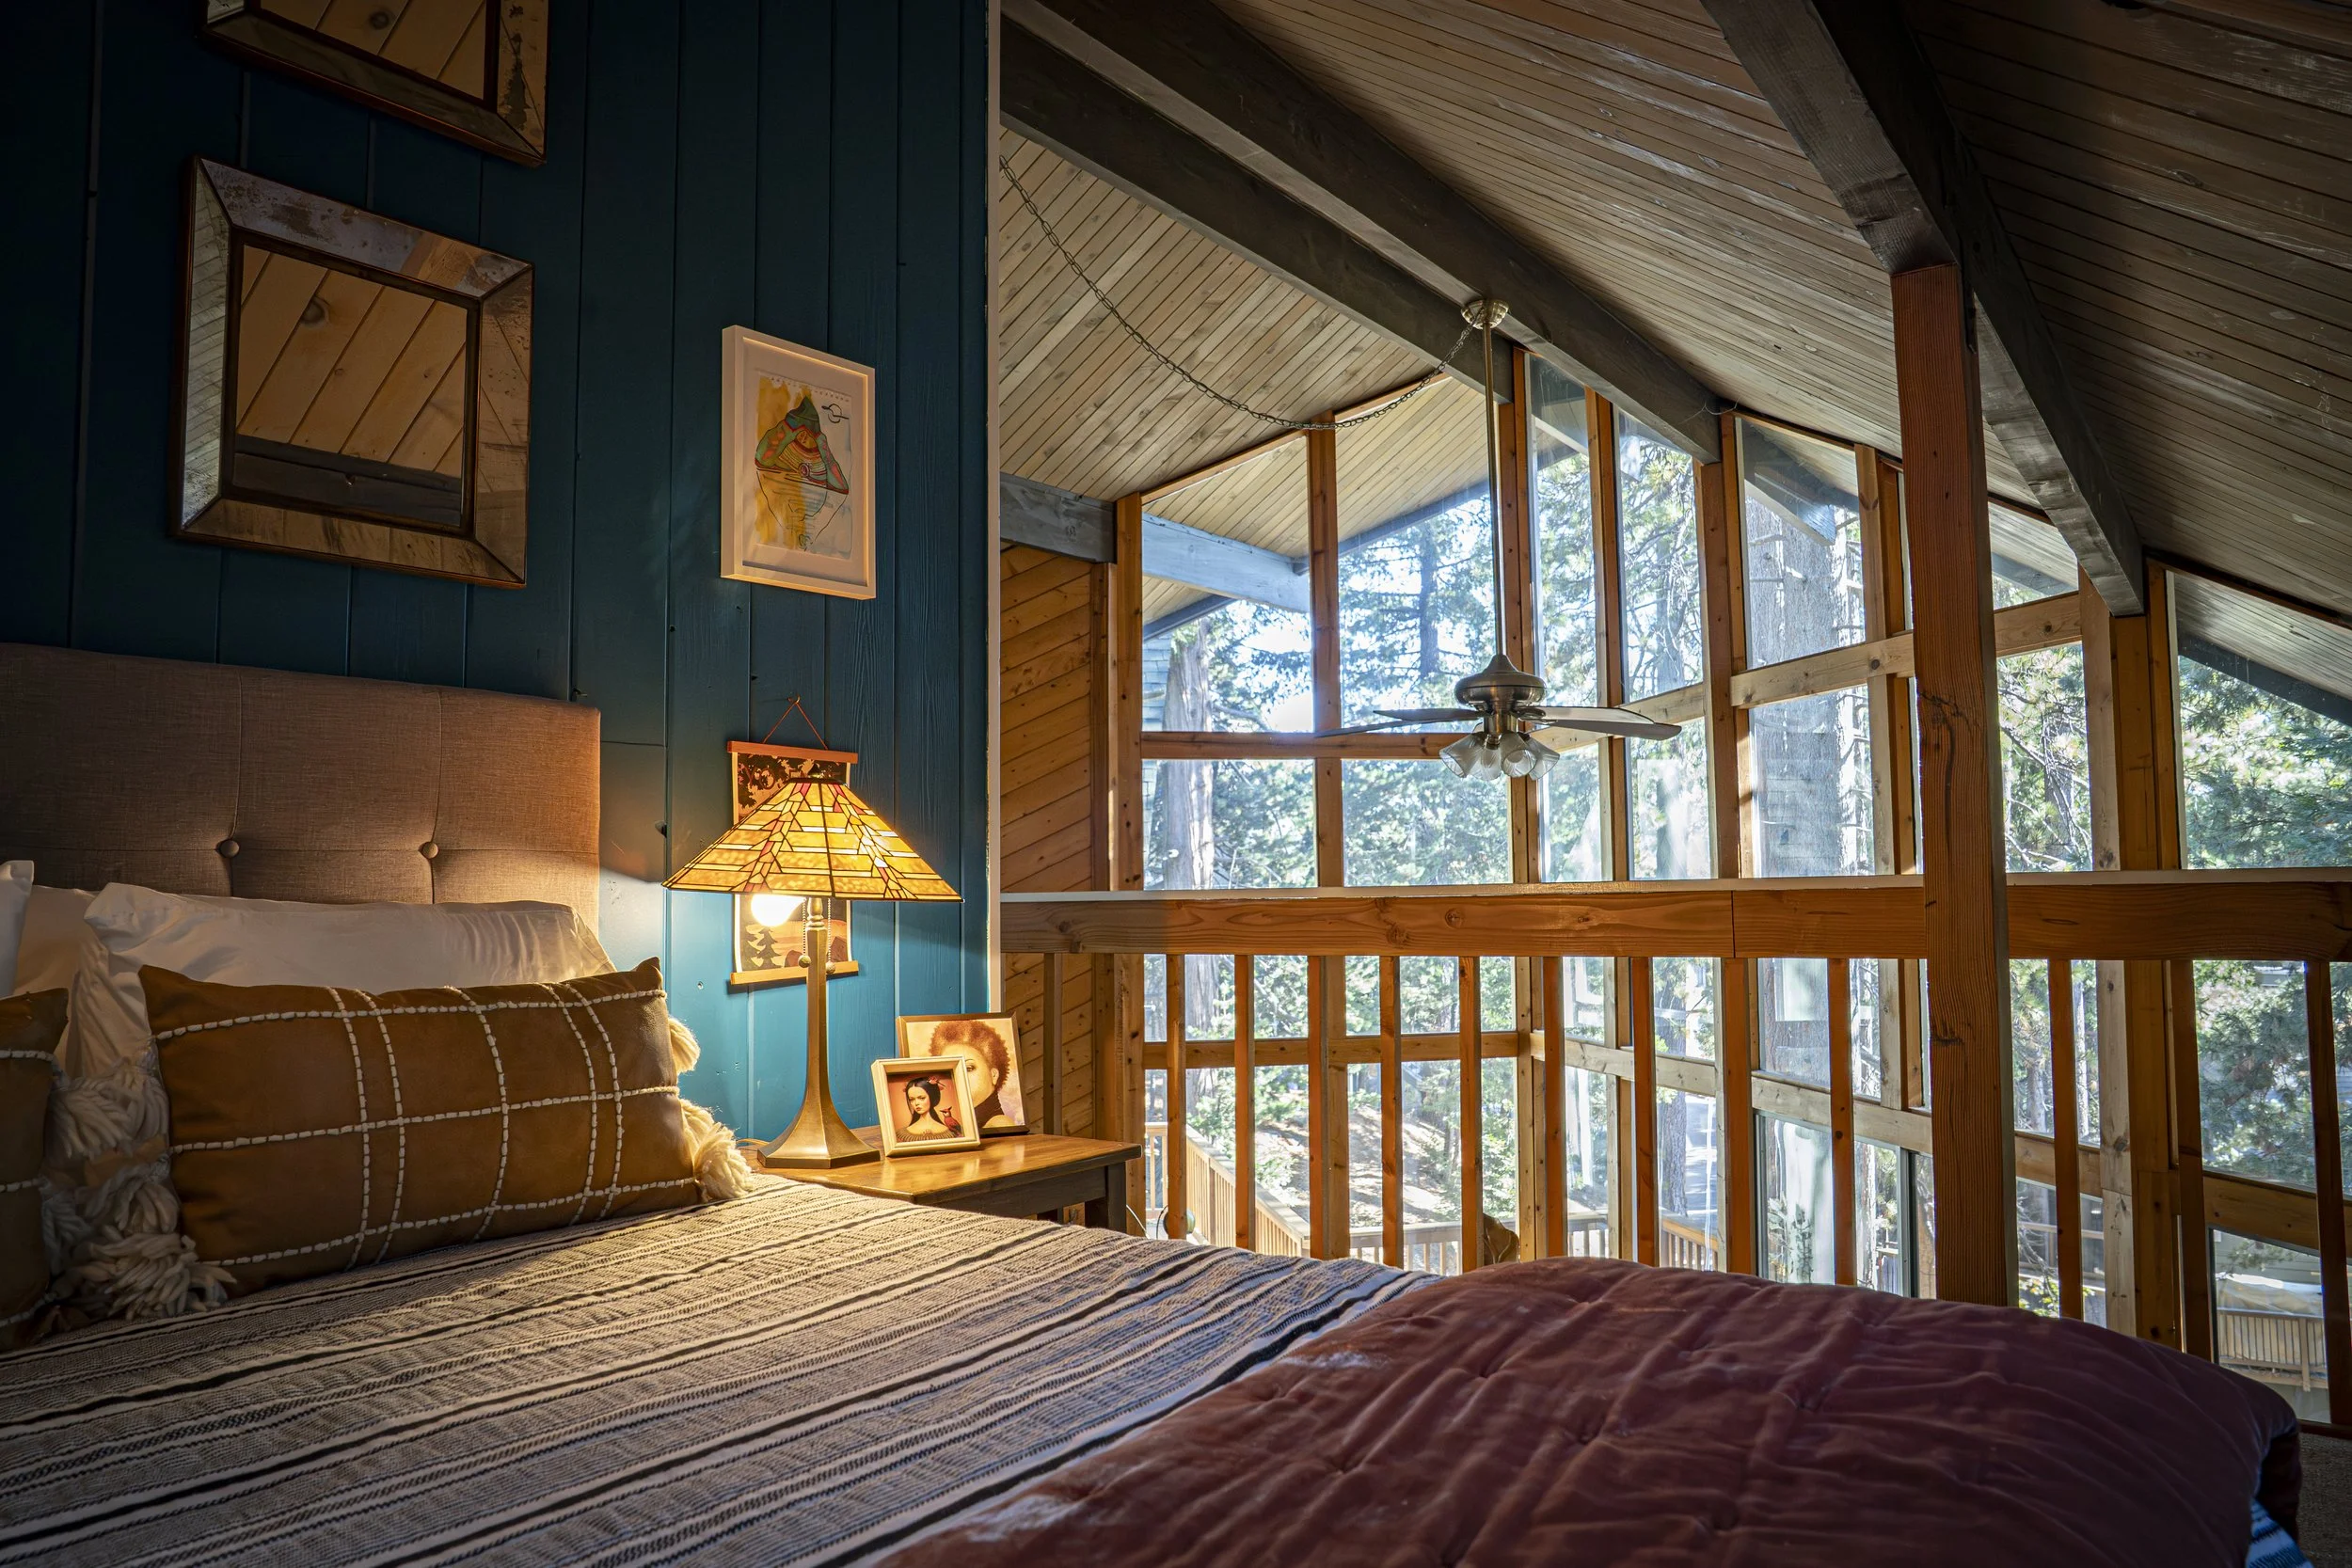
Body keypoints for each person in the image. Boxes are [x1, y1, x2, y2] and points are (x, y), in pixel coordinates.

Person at [922, 1019, 1024, 1132]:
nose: (958, 1077)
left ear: (994, 1075)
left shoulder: (999, 1124)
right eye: (948, 1071)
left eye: (969, 1068)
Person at [899, 1075, 961, 1140]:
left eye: (921, 1098)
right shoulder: (905, 1133)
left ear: (932, 1097)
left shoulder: (950, 1132)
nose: (916, 1103)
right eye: (912, 1099)